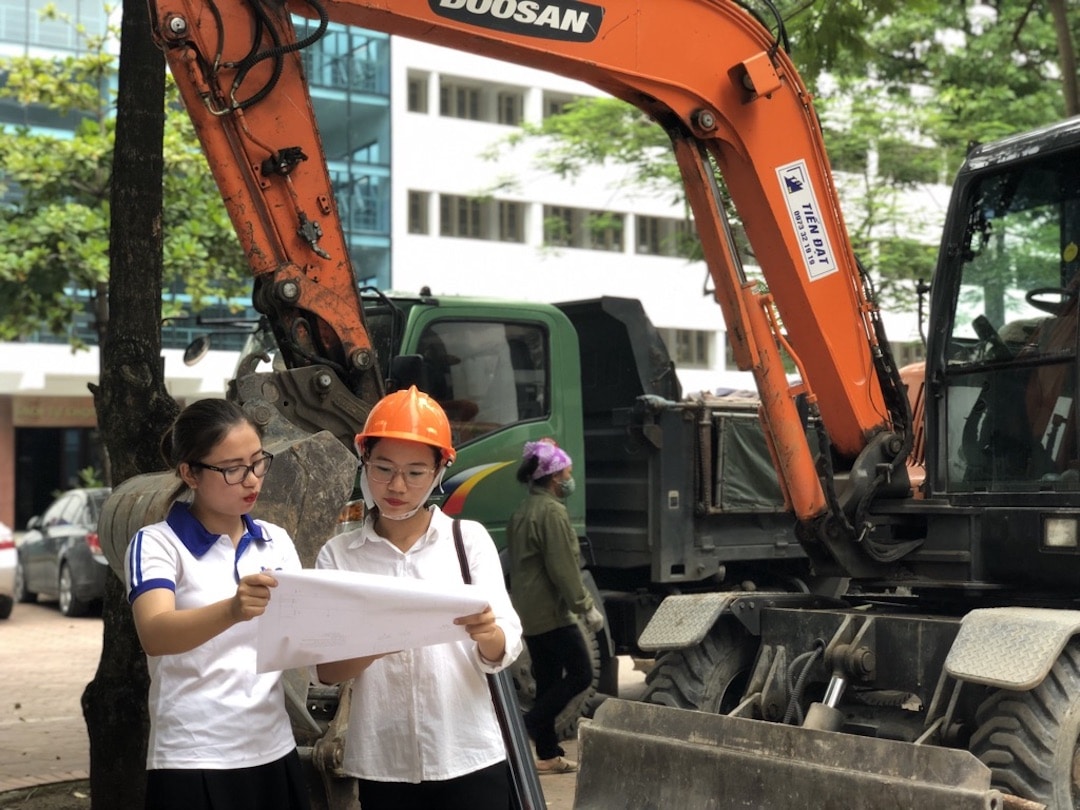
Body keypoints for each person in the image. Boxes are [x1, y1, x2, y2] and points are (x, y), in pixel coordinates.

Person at [314, 386, 523, 810]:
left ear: (439, 470)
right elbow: (326, 670)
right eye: (383, 468)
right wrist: (379, 639)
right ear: (364, 462)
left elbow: (507, 644)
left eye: (415, 472)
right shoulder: (338, 555)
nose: (396, 485)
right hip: (383, 762)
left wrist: (488, 634)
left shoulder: (468, 541)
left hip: (470, 753)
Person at [124, 399, 310, 810]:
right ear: (189, 473)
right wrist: (231, 609)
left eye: (258, 462)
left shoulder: (275, 541)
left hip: (272, 747)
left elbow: (302, 638)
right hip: (194, 757)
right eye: (232, 469)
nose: (251, 480)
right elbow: (154, 633)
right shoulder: (157, 543)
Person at [506, 438, 604, 775]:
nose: (569, 479)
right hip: (550, 612)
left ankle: (547, 755)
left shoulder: (523, 510)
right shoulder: (551, 512)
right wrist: (586, 607)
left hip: (529, 612)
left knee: (547, 680)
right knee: (580, 674)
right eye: (567, 473)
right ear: (553, 478)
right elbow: (563, 567)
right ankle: (530, 725)